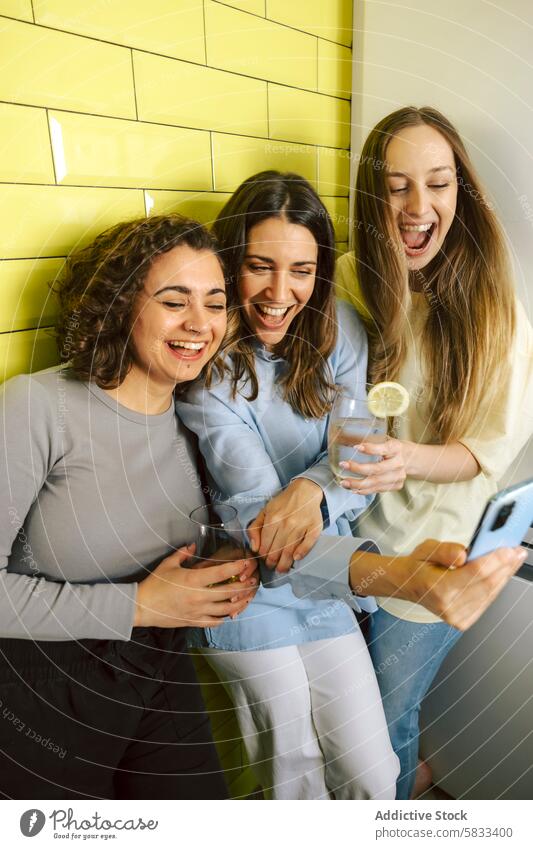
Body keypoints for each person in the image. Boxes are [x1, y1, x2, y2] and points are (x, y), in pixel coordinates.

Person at [0, 214, 259, 800]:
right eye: (175, 301)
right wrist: (138, 604)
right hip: (43, 680)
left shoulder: (194, 415)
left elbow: (258, 522)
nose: (200, 325)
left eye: (215, 304)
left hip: (159, 665)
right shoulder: (38, 407)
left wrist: (396, 573)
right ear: (120, 306)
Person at [177, 171, 401, 800]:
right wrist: (322, 486)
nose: (280, 293)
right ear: (230, 263)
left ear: (321, 273)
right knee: (292, 780)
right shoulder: (208, 371)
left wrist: (312, 490)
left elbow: (361, 468)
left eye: (301, 270)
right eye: (259, 266)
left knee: (373, 777)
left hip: (326, 588)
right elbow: (263, 528)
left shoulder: (342, 329)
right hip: (247, 590)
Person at [335, 106, 533, 798]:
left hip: (433, 554)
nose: (417, 207)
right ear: (372, 196)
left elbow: (483, 453)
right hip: (351, 552)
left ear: (461, 193)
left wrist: (406, 457)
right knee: (354, 721)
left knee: (380, 722)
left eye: (437, 184)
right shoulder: (348, 279)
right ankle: (409, 782)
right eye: (396, 187)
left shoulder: (498, 314)